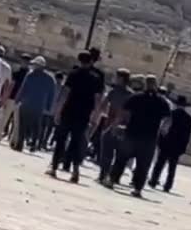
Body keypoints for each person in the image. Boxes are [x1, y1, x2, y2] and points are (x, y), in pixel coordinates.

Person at [105, 74, 172, 198]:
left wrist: (116, 125)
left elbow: (123, 113)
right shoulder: (161, 101)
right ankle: (137, 189)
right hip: (149, 138)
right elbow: (168, 118)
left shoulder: (136, 97)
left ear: (145, 84)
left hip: (132, 134)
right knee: (143, 165)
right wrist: (163, 130)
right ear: (155, 85)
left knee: (121, 159)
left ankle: (111, 180)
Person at [47, 50, 105, 184]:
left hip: (69, 111)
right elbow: (98, 98)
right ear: (91, 61)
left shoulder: (74, 74)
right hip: (83, 114)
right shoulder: (96, 78)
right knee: (76, 142)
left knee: (61, 140)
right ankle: (75, 171)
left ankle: (54, 167)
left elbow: (65, 93)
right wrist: (95, 115)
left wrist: (57, 111)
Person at [97, 69, 134, 183]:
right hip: (124, 127)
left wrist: (108, 113)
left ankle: (103, 175)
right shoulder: (131, 95)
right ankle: (114, 177)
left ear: (121, 79)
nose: (114, 79)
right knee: (120, 154)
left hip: (110, 124)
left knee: (107, 152)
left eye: (116, 77)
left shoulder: (113, 92)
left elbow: (102, 107)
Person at [149, 95, 191, 192]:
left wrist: (160, 141)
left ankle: (153, 180)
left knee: (159, 164)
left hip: (167, 143)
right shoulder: (189, 119)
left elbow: (163, 129)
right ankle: (168, 185)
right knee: (172, 167)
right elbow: (187, 135)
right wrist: (183, 147)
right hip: (178, 146)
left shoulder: (171, 114)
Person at [14, 56, 56, 151]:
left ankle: (24, 144)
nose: (33, 66)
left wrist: (18, 99)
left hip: (28, 104)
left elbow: (23, 88)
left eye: (35, 65)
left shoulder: (31, 75)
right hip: (37, 106)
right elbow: (51, 94)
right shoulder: (49, 79)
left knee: (25, 125)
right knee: (34, 126)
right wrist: (48, 106)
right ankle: (30, 144)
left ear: (39, 66)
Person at [0, 55, 30, 143]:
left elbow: (11, 86)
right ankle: (15, 140)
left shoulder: (17, 73)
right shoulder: (29, 75)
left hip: (12, 98)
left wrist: (4, 98)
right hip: (22, 100)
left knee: (4, 118)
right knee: (17, 122)